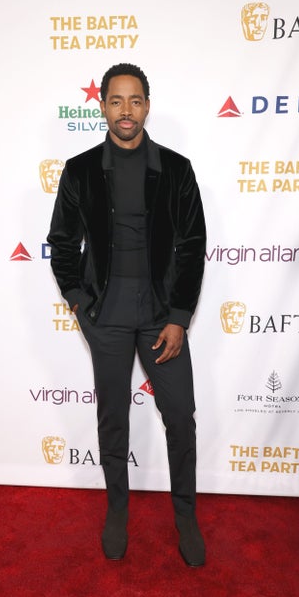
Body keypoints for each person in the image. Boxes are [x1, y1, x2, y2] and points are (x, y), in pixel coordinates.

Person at [47, 63, 206, 566]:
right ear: (103, 107)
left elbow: (193, 245)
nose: (126, 111)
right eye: (116, 101)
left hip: (162, 317)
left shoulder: (176, 170)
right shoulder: (80, 171)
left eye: (135, 101)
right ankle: (117, 511)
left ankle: (186, 517)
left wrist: (179, 317)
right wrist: (80, 304)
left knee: (179, 416)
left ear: (147, 107)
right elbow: (62, 244)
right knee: (113, 418)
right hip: (107, 316)